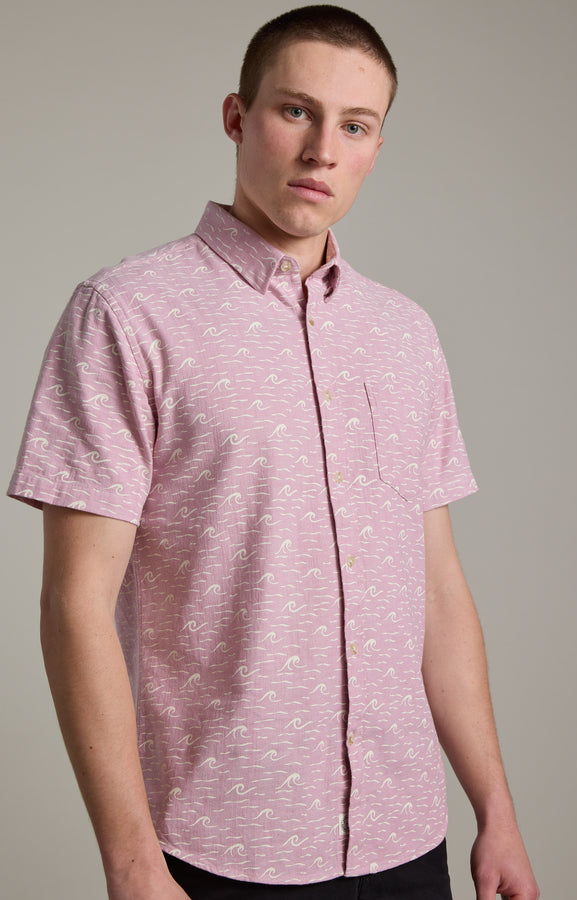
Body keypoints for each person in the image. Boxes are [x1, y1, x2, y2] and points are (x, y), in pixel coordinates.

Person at [8, 6, 539, 900]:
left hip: (408, 840)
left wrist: (498, 812)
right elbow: (75, 606)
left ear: (376, 145)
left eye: (356, 125)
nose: (323, 148)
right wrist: (134, 867)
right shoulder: (127, 315)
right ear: (237, 117)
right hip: (216, 852)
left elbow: (438, 591)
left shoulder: (405, 335)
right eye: (296, 111)